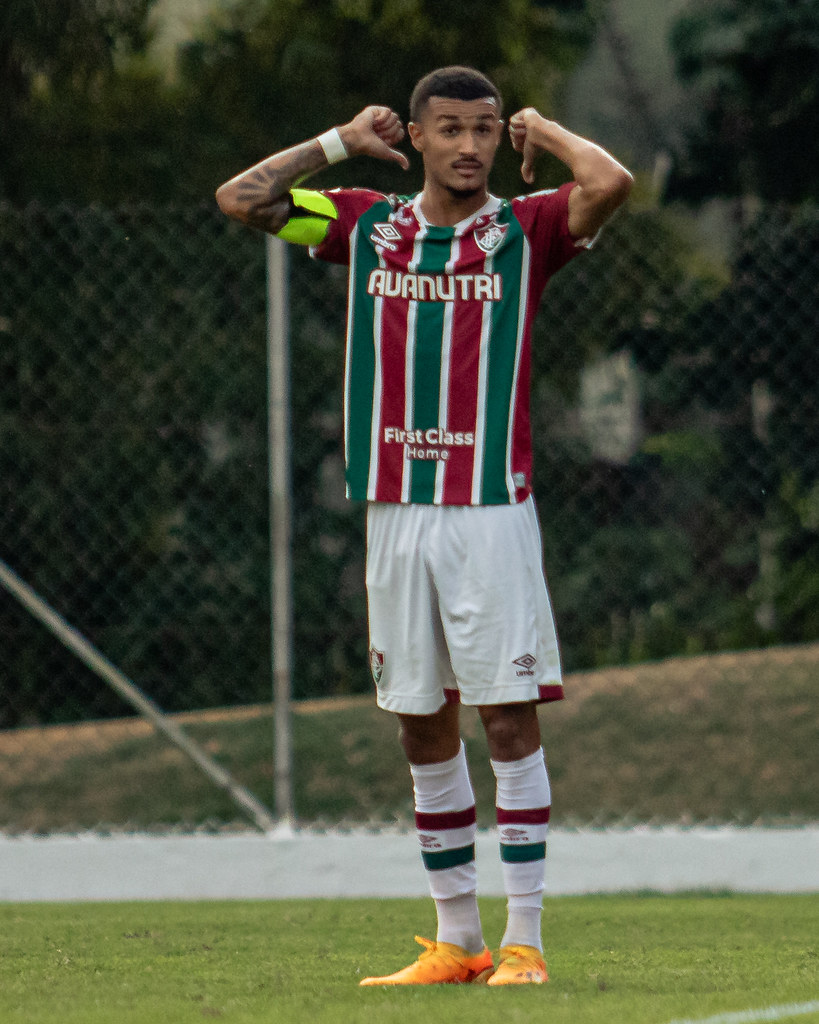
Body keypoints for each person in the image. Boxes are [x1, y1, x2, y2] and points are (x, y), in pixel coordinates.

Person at [216, 65, 632, 986]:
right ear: (415, 134)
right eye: (449, 129)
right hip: (395, 507)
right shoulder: (369, 226)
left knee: (508, 720)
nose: (469, 147)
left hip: (488, 509)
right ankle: (458, 942)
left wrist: (543, 131)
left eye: (484, 130)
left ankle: (523, 943)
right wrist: (336, 144)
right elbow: (243, 197)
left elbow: (610, 185)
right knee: (419, 725)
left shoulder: (524, 231)